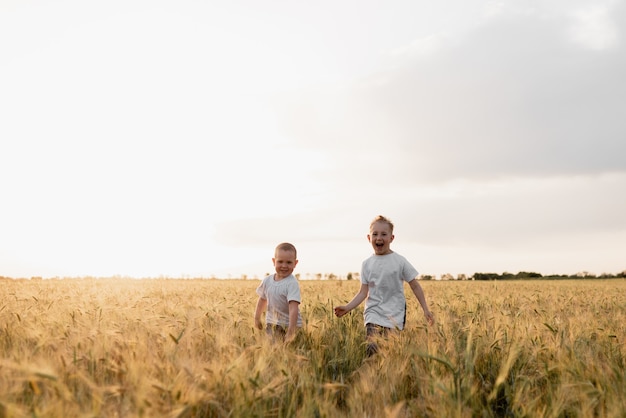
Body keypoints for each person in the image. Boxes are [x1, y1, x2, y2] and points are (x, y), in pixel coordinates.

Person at [334, 215, 434, 356]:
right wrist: (347, 307)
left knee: (390, 353)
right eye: (375, 234)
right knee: (372, 349)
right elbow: (363, 292)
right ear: (369, 238)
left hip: (395, 313)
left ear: (391, 238)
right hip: (373, 313)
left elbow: (415, 286)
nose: (379, 238)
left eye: (383, 234)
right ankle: (372, 375)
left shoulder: (400, 261)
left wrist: (425, 309)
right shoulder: (367, 264)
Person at [254, 242, 303, 343]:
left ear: (295, 263)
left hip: (289, 324)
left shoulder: (292, 283)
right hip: (271, 323)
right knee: (272, 350)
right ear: (273, 261)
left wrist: (291, 330)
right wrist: (257, 318)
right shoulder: (267, 280)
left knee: (284, 351)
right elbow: (262, 300)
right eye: (280, 262)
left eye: (289, 262)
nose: (284, 266)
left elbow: (293, 308)